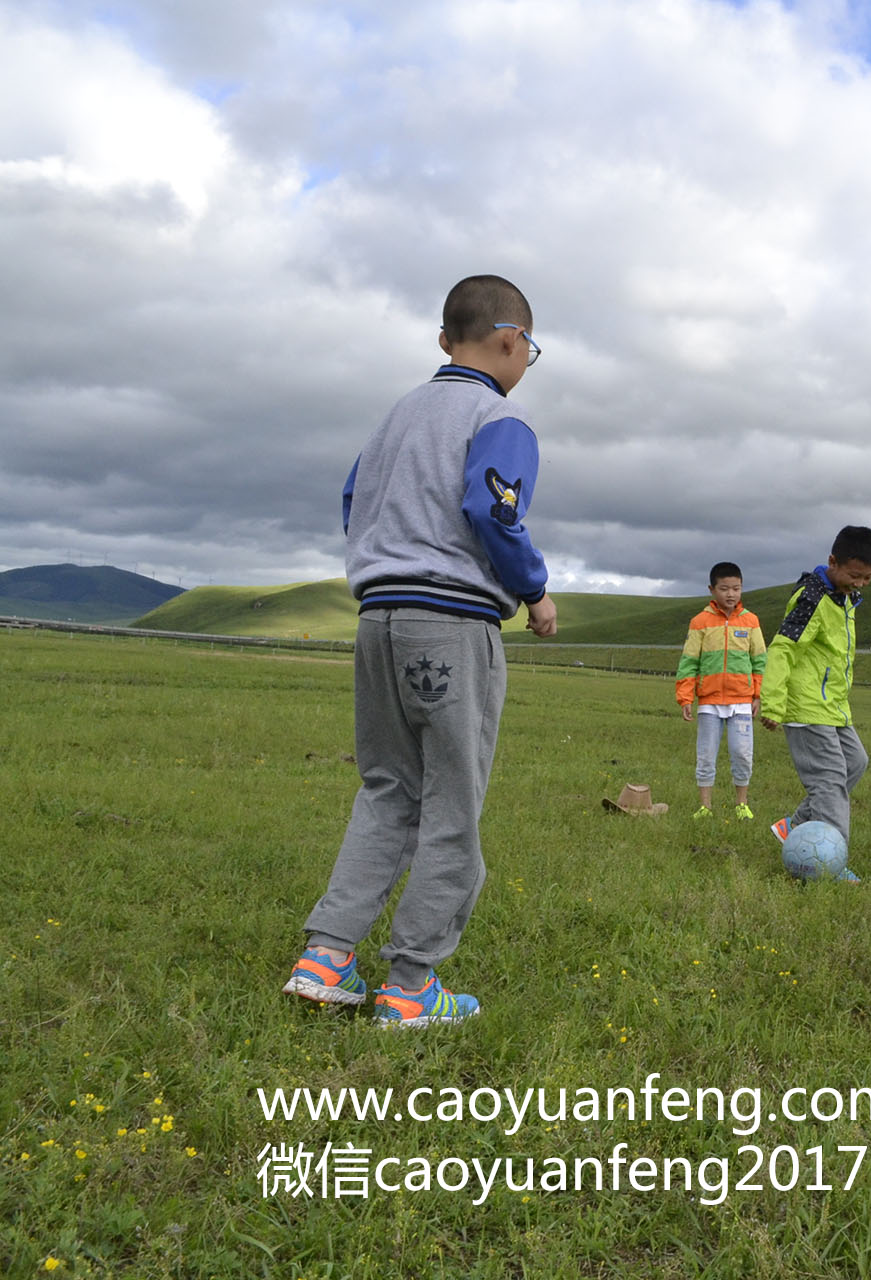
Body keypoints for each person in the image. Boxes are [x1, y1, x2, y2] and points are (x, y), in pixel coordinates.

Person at [282, 274, 556, 1027]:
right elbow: (491, 509)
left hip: (377, 620)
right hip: (452, 625)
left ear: (443, 340)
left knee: (386, 787)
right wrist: (534, 590)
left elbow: (351, 499)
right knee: (452, 803)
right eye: (531, 348)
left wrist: (388, 558)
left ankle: (327, 956)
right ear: (511, 342)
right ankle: (411, 987)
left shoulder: (397, 416)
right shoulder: (501, 418)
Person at [760, 526, 871, 882]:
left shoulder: (843, 599)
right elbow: (782, 647)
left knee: (856, 762)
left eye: (868, 578)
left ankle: (796, 825)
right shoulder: (811, 599)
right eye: (854, 575)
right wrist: (773, 703)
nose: (859, 583)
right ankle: (830, 860)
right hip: (805, 706)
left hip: (833, 708)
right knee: (829, 781)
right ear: (832, 562)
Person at [676, 562, 766, 820]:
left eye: (736, 588)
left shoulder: (751, 621)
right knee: (705, 756)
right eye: (724, 588)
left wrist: (758, 694)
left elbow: (760, 660)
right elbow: (689, 661)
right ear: (711, 590)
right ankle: (705, 807)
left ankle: (742, 804)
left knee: (742, 754)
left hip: (741, 703)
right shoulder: (699, 622)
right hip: (709, 703)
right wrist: (686, 696)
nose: (731, 594)